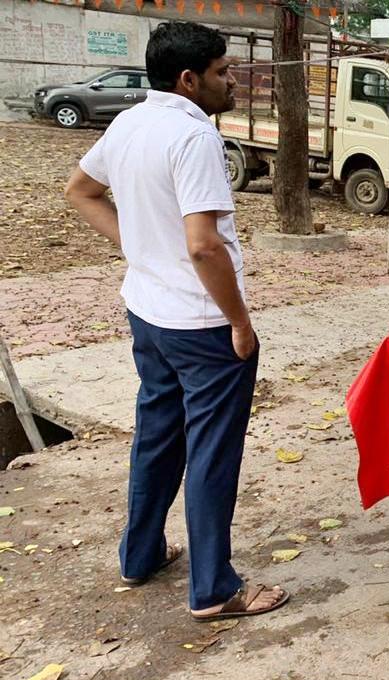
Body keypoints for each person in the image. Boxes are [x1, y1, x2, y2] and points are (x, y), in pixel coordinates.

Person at [64, 22, 289, 621]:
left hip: (148, 314)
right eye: (222, 71)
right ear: (189, 80)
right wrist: (239, 322)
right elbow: (204, 247)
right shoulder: (195, 139)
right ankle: (215, 588)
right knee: (212, 452)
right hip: (200, 324)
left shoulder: (132, 122)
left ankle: (140, 555)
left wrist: (138, 249)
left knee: (158, 436)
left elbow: (80, 190)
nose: (231, 80)